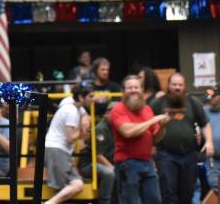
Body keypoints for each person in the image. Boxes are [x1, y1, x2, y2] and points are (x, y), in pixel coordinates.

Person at [109, 74, 169, 204]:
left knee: (155, 200)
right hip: (127, 163)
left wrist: (163, 126)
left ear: (142, 90)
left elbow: (155, 139)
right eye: (129, 88)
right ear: (123, 91)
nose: (133, 90)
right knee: (131, 201)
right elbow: (128, 132)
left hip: (147, 162)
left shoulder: (147, 109)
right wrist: (152, 120)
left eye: (136, 87)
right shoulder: (117, 110)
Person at [150, 73, 208, 204]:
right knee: (169, 193)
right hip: (166, 155)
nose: (177, 87)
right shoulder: (157, 102)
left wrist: (209, 141)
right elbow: (148, 123)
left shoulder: (193, 102)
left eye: (180, 85)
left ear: (184, 86)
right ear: (168, 86)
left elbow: (205, 123)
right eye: (174, 84)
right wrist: (151, 145)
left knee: (187, 193)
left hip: (189, 155)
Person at [44, 85, 92, 204]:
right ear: (81, 97)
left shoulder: (69, 102)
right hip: (58, 149)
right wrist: (83, 133)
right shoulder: (71, 112)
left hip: (57, 149)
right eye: (90, 96)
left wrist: (85, 116)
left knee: (71, 185)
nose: (93, 99)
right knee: (70, 185)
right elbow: (70, 138)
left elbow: (80, 108)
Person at [78, 105, 116, 204]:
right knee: (110, 173)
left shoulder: (117, 127)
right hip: (88, 165)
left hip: (106, 163)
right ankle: (104, 201)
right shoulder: (101, 129)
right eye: (114, 112)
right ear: (107, 114)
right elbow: (98, 156)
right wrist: (113, 168)